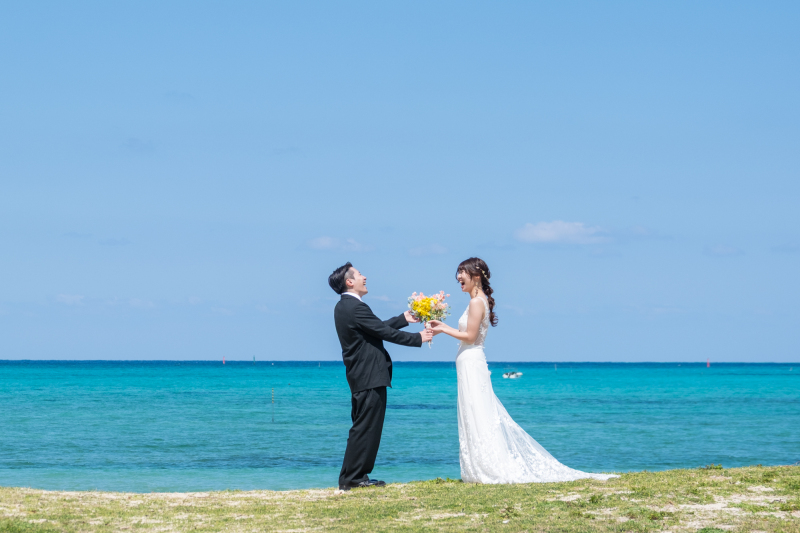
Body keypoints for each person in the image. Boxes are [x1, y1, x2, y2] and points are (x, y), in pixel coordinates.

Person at [429, 257, 617, 483]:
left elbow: (469, 336)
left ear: (476, 275)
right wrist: (442, 328)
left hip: (472, 361)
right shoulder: (478, 301)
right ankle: (478, 466)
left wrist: (444, 328)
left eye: (462, 272)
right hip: (469, 362)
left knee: (478, 411)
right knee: (474, 411)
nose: (458, 277)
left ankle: (487, 467)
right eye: (457, 272)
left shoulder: (476, 303)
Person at [329, 262, 435, 491]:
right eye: (359, 274)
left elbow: (375, 328)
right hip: (368, 374)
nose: (364, 277)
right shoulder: (355, 307)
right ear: (349, 282)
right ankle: (353, 479)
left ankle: (355, 476)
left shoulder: (345, 307)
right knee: (365, 427)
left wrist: (403, 318)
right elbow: (384, 332)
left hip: (362, 374)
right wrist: (418, 338)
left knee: (364, 426)